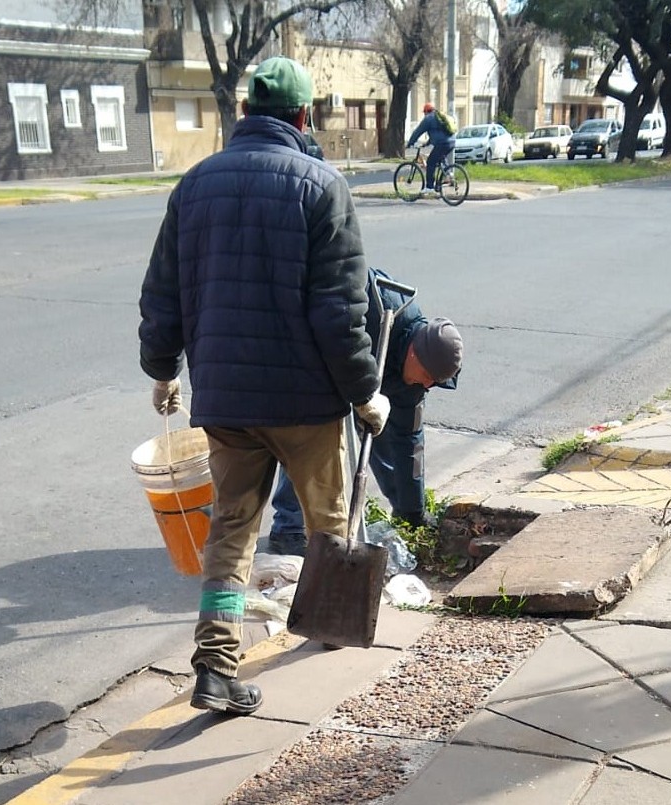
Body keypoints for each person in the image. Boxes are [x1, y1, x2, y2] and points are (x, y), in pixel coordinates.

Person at [138, 56, 390, 717]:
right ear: (304, 118)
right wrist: (365, 391)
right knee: (328, 525)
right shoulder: (320, 185)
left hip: (225, 401)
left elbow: (162, 295)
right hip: (307, 404)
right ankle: (330, 625)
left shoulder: (194, 185)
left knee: (230, 533)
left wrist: (163, 370)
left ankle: (215, 665)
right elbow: (341, 311)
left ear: (244, 113)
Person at [268, 266, 464, 556]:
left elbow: (410, 444)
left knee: (380, 429)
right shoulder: (375, 304)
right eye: (427, 377)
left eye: (434, 383)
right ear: (415, 353)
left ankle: (404, 510)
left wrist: (413, 514)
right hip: (318, 363)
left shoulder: (418, 380)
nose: (427, 385)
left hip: (372, 377)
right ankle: (289, 528)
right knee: (312, 438)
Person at [406, 103, 455, 198]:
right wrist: (426, 144)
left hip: (442, 143)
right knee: (440, 158)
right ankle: (448, 175)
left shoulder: (428, 119)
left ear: (426, 111)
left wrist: (410, 143)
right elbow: (437, 133)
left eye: (424, 112)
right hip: (452, 142)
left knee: (431, 162)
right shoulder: (439, 116)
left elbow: (418, 131)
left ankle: (429, 187)